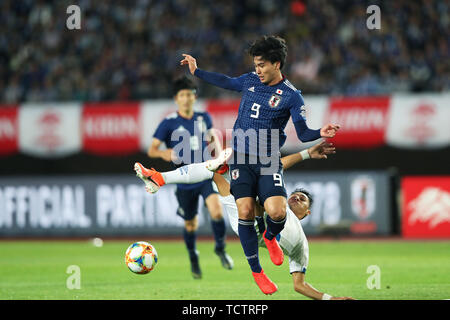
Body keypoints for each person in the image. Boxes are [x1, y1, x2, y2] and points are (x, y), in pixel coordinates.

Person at [180, 35, 340, 293]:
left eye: (262, 65)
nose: (258, 70)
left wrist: (322, 130)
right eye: (256, 65)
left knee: (277, 212)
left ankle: (269, 236)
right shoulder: (251, 80)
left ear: (277, 64)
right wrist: (197, 70)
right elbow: (226, 81)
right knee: (244, 210)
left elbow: (303, 133)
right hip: (242, 158)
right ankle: (257, 272)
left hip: (268, 160)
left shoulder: (292, 97)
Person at [135, 141, 353, 300]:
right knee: (219, 174)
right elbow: (278, 166)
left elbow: (299, 285)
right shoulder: (278, 200)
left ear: (307, 213)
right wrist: (306, 153)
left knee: (244, 181)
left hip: (254, 229)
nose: (297, 197)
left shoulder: (301, 245)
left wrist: (331, 299)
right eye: (295, 194)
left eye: (303, 199)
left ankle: (222, 168)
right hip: (245, 213)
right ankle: (160, 178)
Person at [144, 76, 233, 279]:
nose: (186, 98)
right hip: (183, 179)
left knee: (216, 211)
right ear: (176, 98)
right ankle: (193, 256)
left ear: (195, 97)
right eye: (182, 95)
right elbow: (152, 150)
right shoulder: (168, 123)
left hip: (204, 174)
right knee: (190, 224)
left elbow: (213, 140)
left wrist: (220, 157)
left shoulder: (203, 117)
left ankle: (220, 247)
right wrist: (163, 154)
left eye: (190, 94)